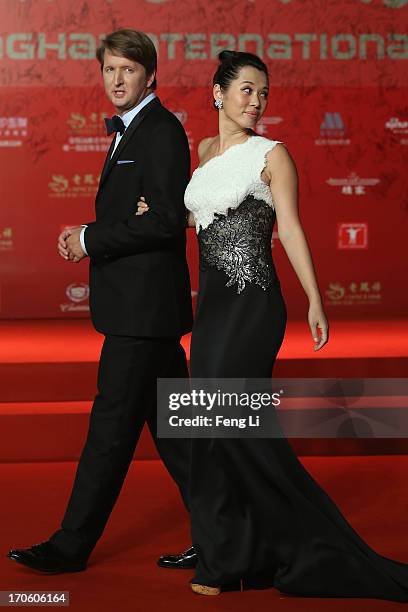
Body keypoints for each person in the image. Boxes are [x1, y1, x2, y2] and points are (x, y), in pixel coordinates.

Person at [136, 50, 408, 601]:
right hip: (212, 310)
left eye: (263, 93)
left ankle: (310, 546)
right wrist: (157, 214)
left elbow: (292, 229)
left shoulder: (273, 155)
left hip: (253, 306)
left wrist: (315, 298)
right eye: (246, 90)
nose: (256, 102)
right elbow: (205, 214)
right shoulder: (206, 151)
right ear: (218, 92)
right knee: (208, 431)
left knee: (239, 428)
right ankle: (229, 557)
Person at [7, 29, 193, 574]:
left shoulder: (159, 132)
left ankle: (71, 547)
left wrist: (90, 237)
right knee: (182, 440)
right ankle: (230, 536)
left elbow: (162, 220)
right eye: (109, 70)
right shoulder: (131, 131)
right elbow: (143, 216)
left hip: (141, 313)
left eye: (127, 70)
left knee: (109, 434)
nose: (115, 80)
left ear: (150, 75)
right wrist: (111, 225)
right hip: (146, 312)